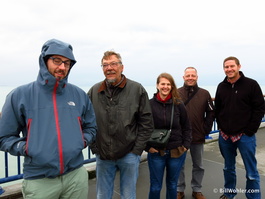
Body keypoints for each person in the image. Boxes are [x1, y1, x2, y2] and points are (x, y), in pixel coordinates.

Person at [0, 39, 97, 199]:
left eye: (67, 63)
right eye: (56, 61)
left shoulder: (79, 95)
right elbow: (4, 138)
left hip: (76, 176)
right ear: (44, 61)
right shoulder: (20, 95)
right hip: (39, 179)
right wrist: (27, 148)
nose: (62, 67)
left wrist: (81, 141)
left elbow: (91, 128)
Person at [88, 50, 154, 199]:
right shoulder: (94, 91)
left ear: (122, 67)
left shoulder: (137, 89)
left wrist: (136, 150)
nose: (109, 68)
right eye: (105, 65)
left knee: (128, 195)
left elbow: (146, 123)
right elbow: (86, 122)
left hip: (129, 155)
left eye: (113, 64)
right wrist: (95, 148)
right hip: (103, 156)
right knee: (103, 195)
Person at [215, 56, 265, 199]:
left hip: (245, 136)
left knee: (251, 171)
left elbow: (260, 108)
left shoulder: (251, 84)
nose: (229, 69)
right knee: (228, 168)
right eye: (226, 67)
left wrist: (250, 130)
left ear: (239, 66)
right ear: (224, 69)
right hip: (225, 135)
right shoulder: (221, 86)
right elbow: (218, 108)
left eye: (232, 66)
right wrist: (221, 126)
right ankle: (229, 194)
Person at [146, 72, 192, 199]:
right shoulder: (149, 104)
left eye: (168, 84)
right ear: (157, 85)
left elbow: (187, 126)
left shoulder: (178, 104)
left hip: (176, 151)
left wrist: (186, 146)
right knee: (155, 186)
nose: (165, 87)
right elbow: (142, 128)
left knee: (172, 185)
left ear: (172, 86)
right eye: (163, 84)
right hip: (156, 152)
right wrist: (147, 147)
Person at [177, 67, 215, 199]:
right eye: (188, 75)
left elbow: (211, 112)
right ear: (183, 77)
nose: (190, 77)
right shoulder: (176, 93)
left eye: (193, 75)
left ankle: (196, 190)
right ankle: (179, 189)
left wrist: (206, 129)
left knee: (198, 165)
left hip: (198, 135)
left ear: (197, 77)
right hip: (180, 137)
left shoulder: (205, 93)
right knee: (179, 165)